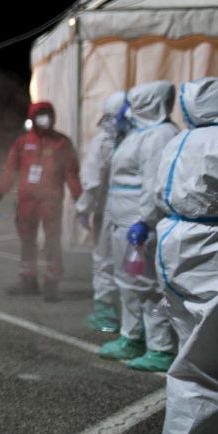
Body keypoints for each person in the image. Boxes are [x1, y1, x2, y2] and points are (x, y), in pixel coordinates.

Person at [142, 78, 218, 434]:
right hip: (212, 254)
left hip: (175, 247)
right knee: (204, 361)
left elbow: (154, 192)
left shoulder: (179, 140)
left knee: (197, 349)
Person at [96, 81, 179, 370]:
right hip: (124, 223)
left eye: (133, 104)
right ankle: (132, 336)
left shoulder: (159, 135)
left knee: (148, 287)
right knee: (129, 283)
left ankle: (160, 347)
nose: (125, 112)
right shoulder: (138, 134)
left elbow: (152, 184)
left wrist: (145, 220)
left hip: (139, 225)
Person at [0, 102, 81, 299]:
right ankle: (28, 280)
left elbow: (72, 174)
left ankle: (52, 282)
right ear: (33, 117)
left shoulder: (62, 143)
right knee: (27, 242)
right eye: (40, 115)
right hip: (26, 201)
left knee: (52, 241)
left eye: (47, 115)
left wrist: (80, 199)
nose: (44, 119)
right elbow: (10, 172)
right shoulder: (22, 143)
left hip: (50, 201)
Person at [76, 91, 129, 333]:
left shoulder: (103, 142)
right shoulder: (146, 137)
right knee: (137, 268)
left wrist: (83, 209)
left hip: (109, 211)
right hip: (141, 215)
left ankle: (106, 314)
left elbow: (92, 181)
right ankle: (137, 324)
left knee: (105, 261)